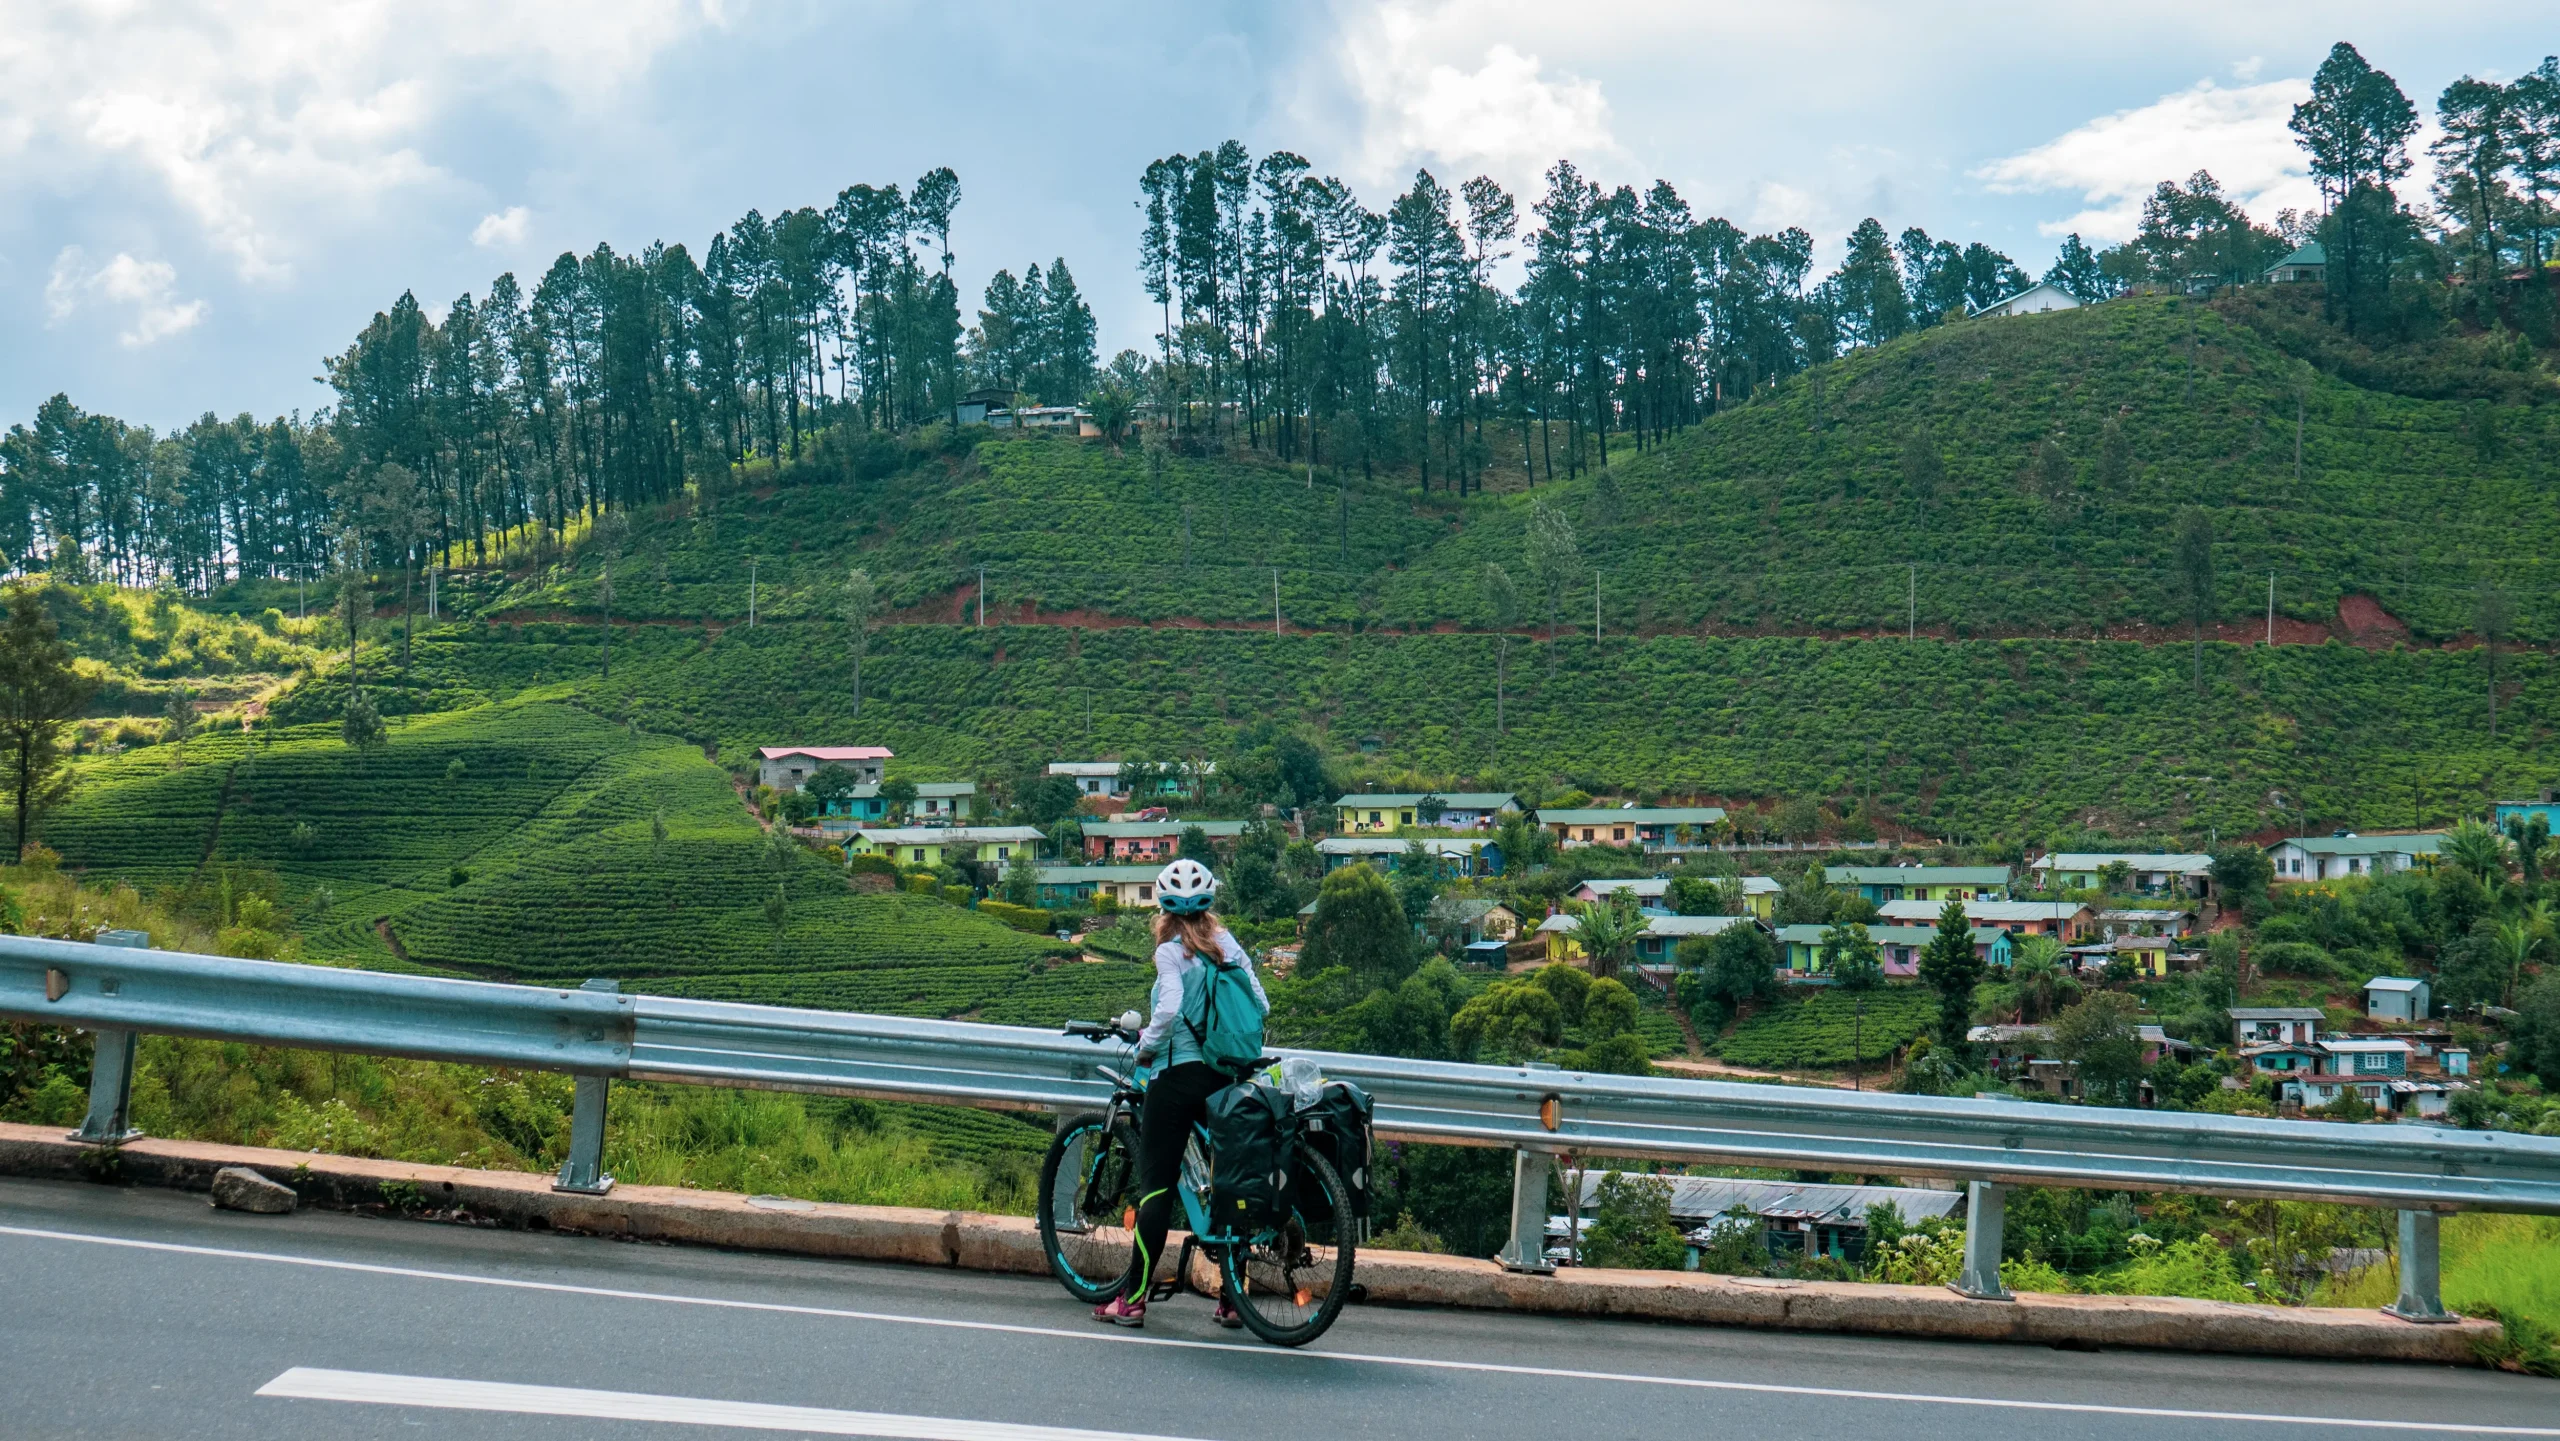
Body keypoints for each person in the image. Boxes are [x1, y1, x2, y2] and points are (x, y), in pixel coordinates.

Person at [1092, 857, 1267, 1329]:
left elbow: (1167, 1012)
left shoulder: (1170, 952)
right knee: (1229, 1185)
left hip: (1178, 1078)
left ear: (1164, 911)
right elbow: (1261, 1002)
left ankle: (1132, 1300)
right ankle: (1234, 1301)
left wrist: (1147, 1047)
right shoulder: (1226, 944)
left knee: (1156, 1191)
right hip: (1228, 1077)